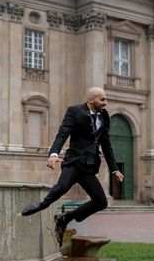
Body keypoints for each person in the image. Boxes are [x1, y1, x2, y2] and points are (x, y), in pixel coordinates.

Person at [20, 87, 124, 245]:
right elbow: (63, 133)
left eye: (105, 99)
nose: (105, 102)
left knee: (101, 202)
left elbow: (106, 144)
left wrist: (114, 168)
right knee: (61, 188)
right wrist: (54, 154)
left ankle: (64, 219)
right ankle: (40, 205)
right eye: (102, 99)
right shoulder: (75, 111)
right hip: (74, 163)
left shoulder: (104, 116)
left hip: (89, 167)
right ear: (90, 100)